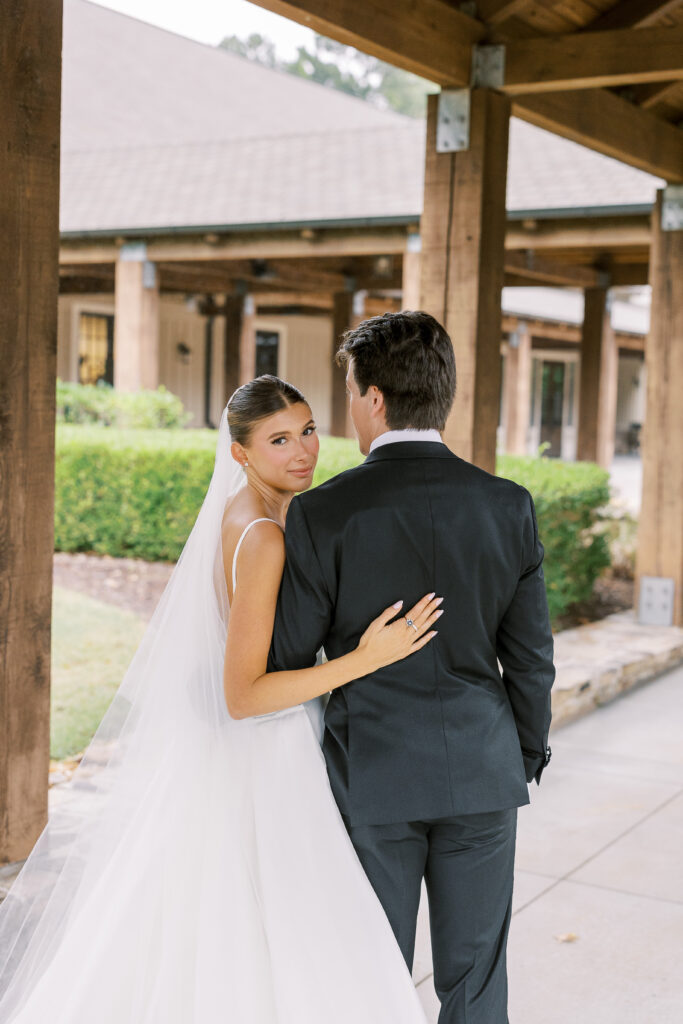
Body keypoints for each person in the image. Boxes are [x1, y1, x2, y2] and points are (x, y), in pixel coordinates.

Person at [0, 375, 438, 1023]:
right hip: (265, 752)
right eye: (279, 439)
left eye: (309, 430)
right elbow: (243, 694)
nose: (304, 451)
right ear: (240, 453)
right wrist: (360, 661)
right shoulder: (261, 535)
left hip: (253, 750)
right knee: (287, 931)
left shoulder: (261, 512)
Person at [267, 310, 556, 1024]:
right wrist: (522, 755)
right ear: (441, 394)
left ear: (371, 398)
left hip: (371, 776)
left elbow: (285, 661)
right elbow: (530, 660)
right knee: (476, 982)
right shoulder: (506, 505)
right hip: (482, 770)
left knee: (368, 977)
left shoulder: (322, 513)